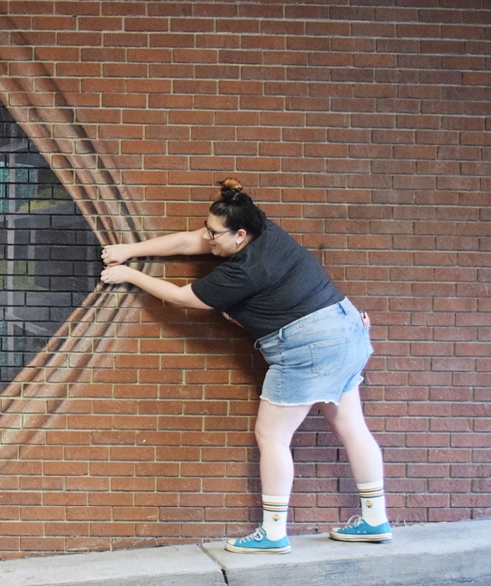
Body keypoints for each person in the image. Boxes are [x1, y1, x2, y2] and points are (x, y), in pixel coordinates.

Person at [100, 179, 390, 554]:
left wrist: (130, 273)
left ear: (239, 235)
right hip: (345, 329)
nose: (207, 238)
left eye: (214, 234)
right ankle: (374, 519)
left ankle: (271, 532)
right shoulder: (262, 228)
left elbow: (182, 297)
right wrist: (129, 250)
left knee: (272, 437)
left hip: (308, 347)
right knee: (352, 428)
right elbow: (191, 242)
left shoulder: (243, 271)